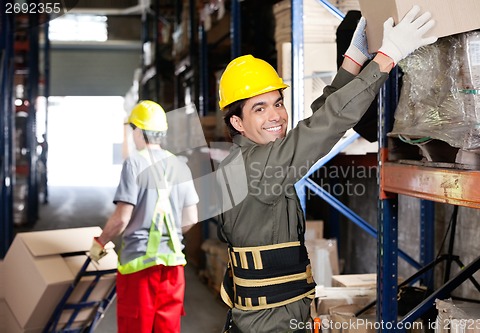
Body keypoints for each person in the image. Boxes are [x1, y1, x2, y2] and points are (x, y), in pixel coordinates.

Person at [216, 5, 437, 333]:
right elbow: (326, 125)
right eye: (259, 109)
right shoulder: (257, 168)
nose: (276, 115)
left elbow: (318, 120)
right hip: (271, 325)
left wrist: (352, 60)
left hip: (273, 317)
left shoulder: (245, 160)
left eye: (278, 103)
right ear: (237, 122)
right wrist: (386, 58)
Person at [88, 100, 199, 333]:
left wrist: (100, 242)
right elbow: (190, 219)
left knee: (136, 327)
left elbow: (121, 218)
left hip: (139, 268)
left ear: (138, 131)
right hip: (173, 268)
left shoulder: (135, 163)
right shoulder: (181, 165)